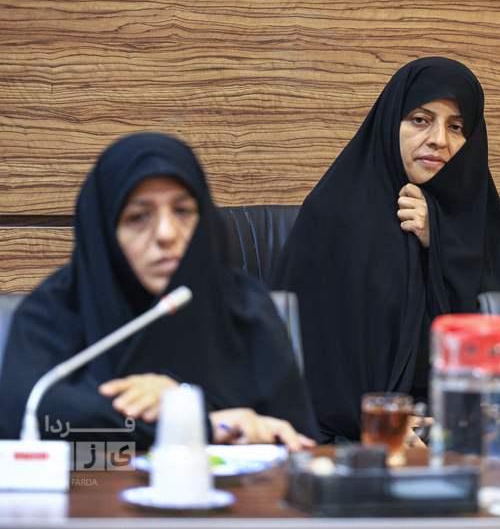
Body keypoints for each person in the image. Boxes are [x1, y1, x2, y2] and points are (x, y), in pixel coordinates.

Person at [0, 133, 318, 450]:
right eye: (138, 217)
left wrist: (179, 399)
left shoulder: (244, 306)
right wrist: (195, 419)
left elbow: (293, 439)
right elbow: (28, 415)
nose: (166, 234)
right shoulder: (56, 308)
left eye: (183, 211)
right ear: (105, 231)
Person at [270, 57, 500, 443]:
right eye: (421, 120)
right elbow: (310, 361)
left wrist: (440, 240)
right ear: (391, 123)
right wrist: (385, 419)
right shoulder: (334, 215)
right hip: (358, 433)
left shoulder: (480, 220)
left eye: (456, 127)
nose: (439, 139)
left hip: (468, 431)